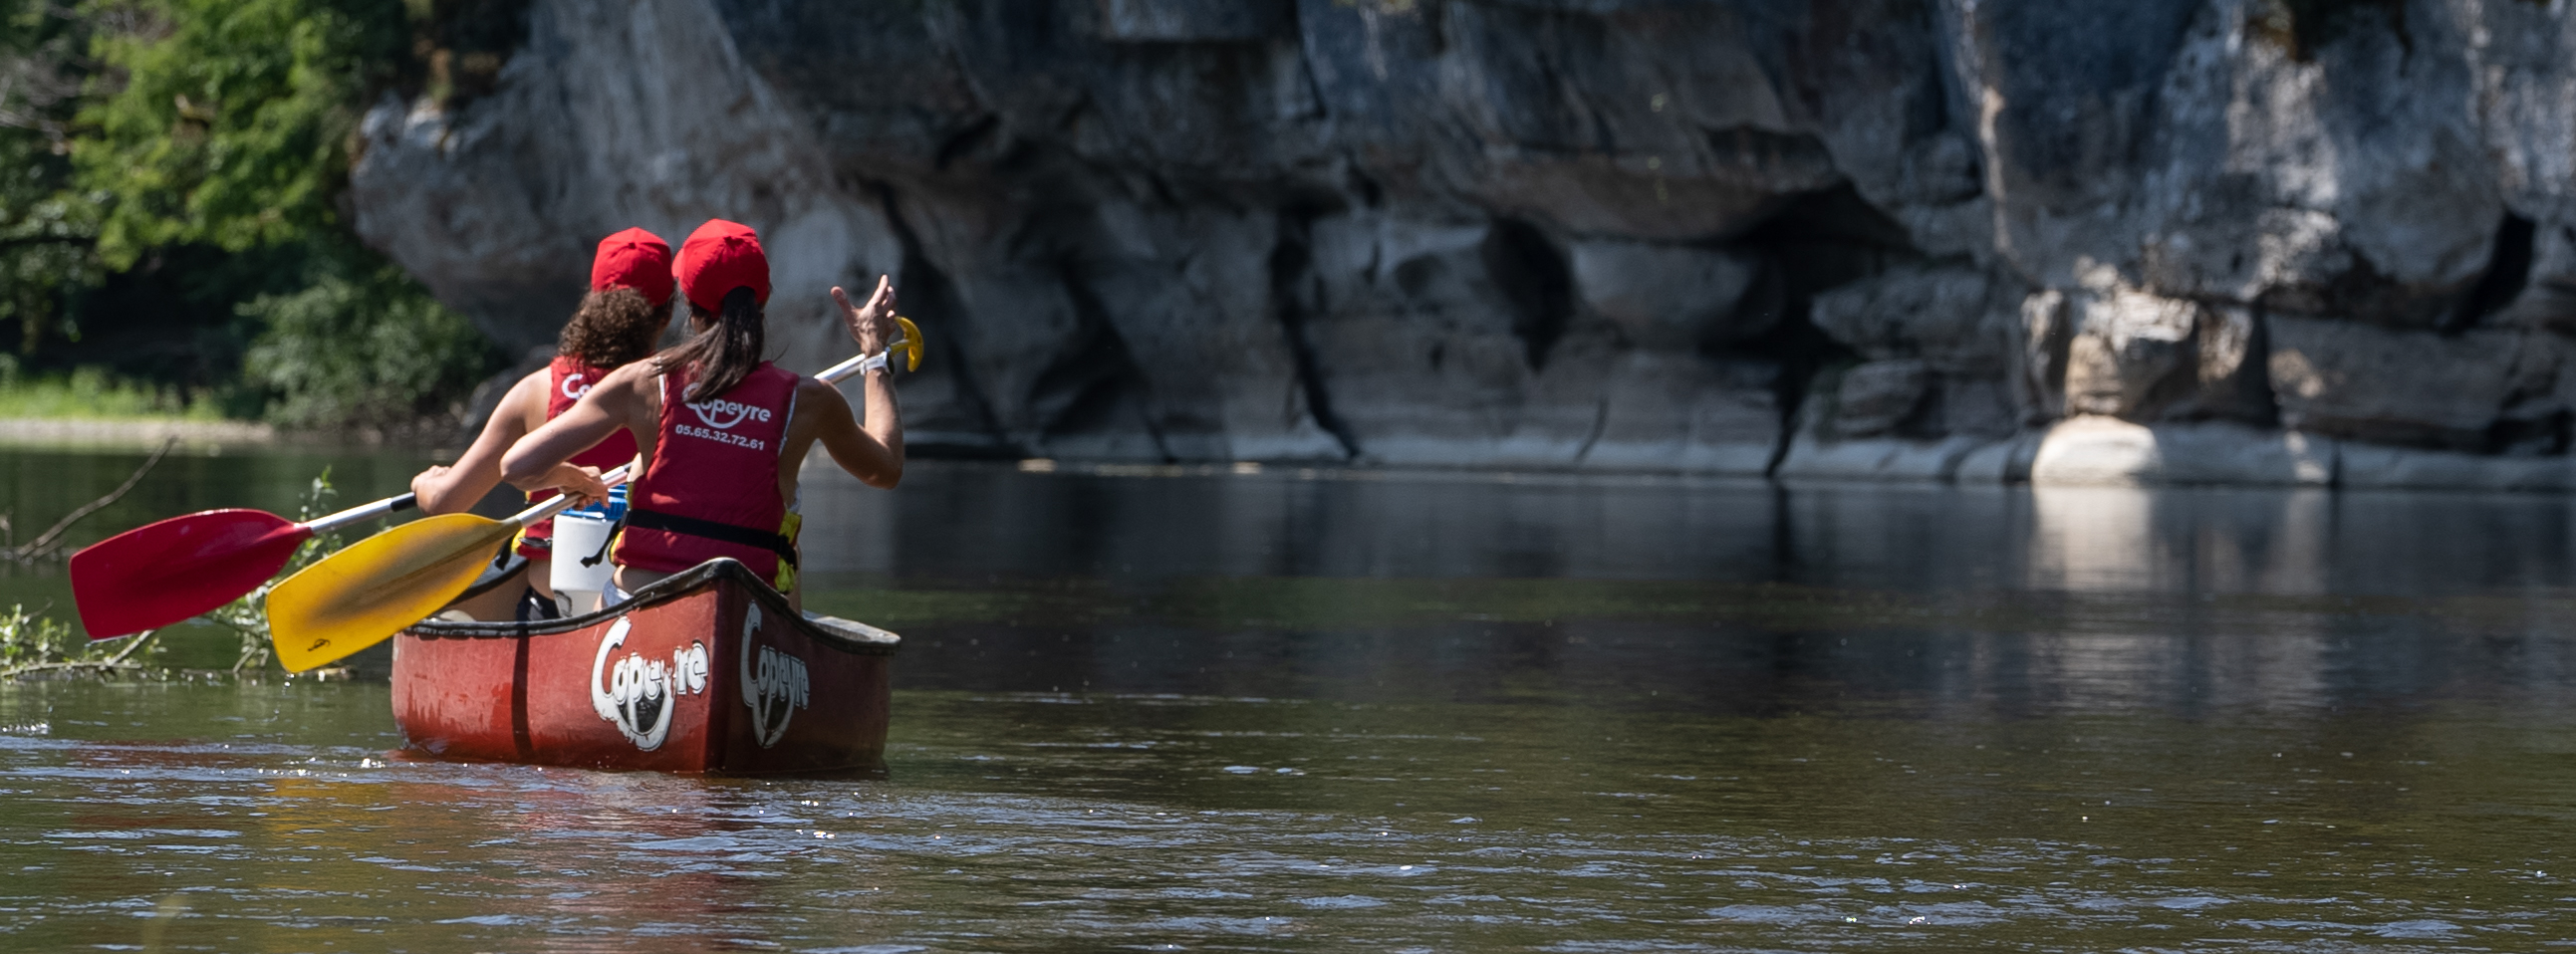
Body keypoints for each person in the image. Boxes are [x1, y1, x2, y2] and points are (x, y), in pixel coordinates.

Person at [500, 219, 903, 607]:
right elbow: (884, 470)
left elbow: (519, 466)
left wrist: (574, 478)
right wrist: (874, 357)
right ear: (761, 301)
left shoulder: (642, 382)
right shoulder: (812, 399)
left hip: (642, 613)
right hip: (750, 610)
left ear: (688, 306)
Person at [411, 228, 662, 617]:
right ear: (664, 317)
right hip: (646, 602)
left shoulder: (535, 390)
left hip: (554, 604)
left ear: (591, 302)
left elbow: (448, 502)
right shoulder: (677, 395)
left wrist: (425, 484)